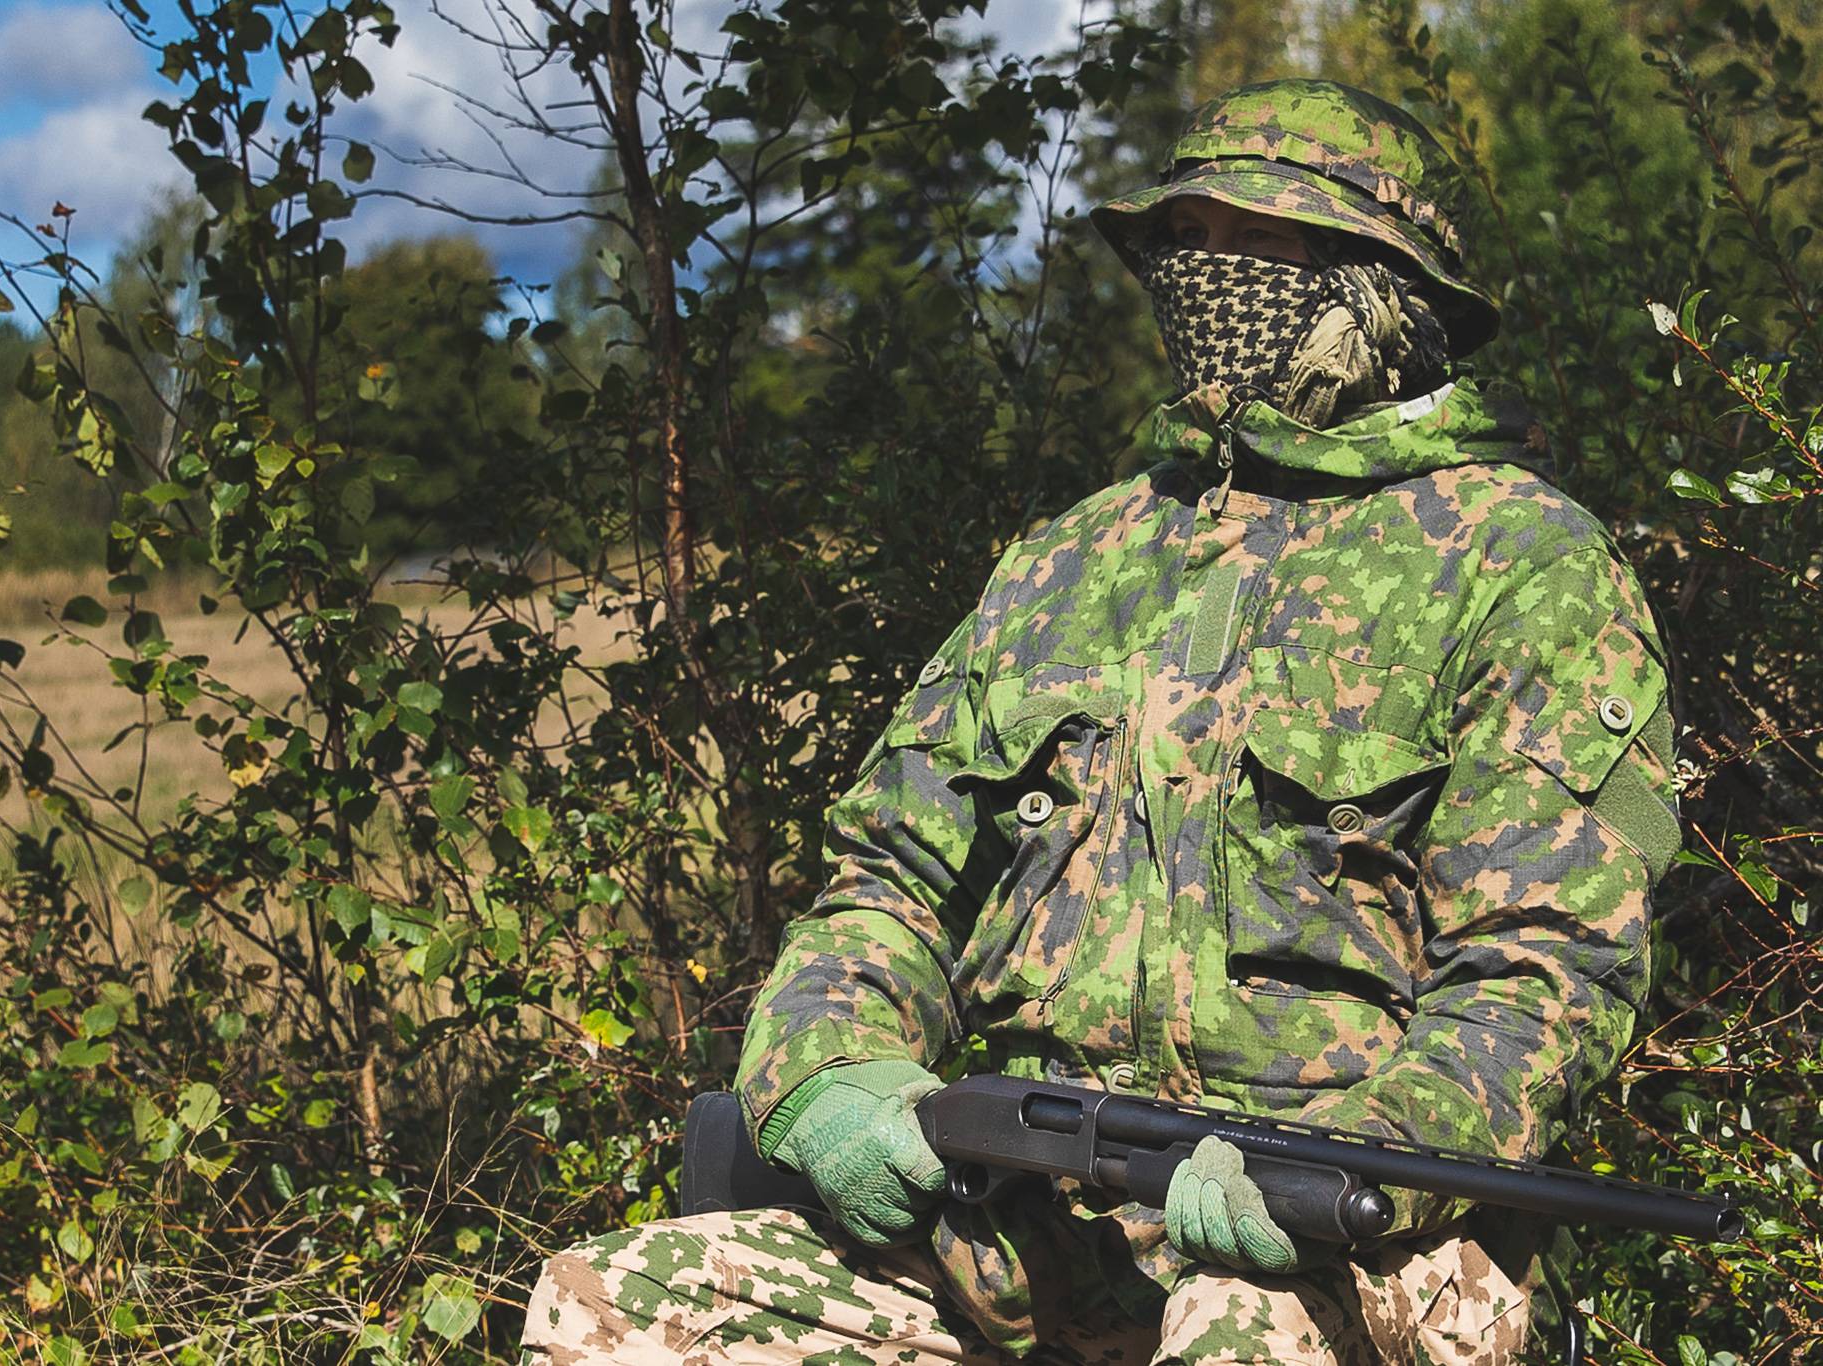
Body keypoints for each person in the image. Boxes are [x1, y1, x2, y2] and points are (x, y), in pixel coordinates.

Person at [521, 78, 1679, 1365]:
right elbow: (883, 882)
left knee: (1240, 1328)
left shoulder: (1521, 564)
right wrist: (835, 1075)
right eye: (1179, 246)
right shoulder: (1063, 563)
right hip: (1021, 1228)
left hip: (1353, 1232)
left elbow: (1545, 974)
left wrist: (1358, 1160)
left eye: (1252, 246)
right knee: (621, 1302)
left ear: (1373, 290)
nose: (1201, 278)